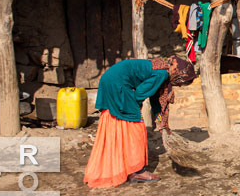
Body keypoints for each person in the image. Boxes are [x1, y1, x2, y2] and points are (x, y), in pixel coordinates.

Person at [83, 56, 195, 188]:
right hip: (117, 84)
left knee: (121, 123)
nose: (180, 84)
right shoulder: (162, 73)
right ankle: (137, 171)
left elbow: (154, 97)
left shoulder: (162, 67)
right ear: (179, 74)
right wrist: (134, 107)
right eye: (182, 81)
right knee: (136, 127)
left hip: (110, 79)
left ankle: (124, 165)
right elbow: (141, 93)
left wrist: (161, 121)